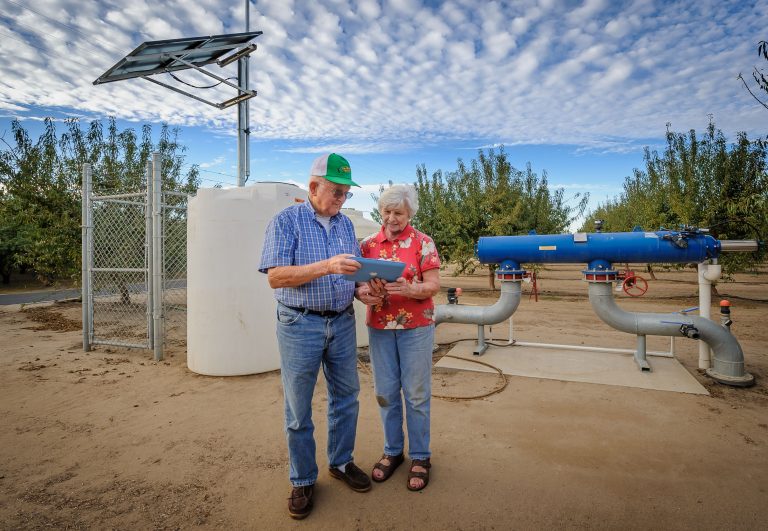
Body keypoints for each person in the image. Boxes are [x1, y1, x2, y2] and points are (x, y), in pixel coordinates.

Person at [259, 153, 371, 520]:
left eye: (345, 194)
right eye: (336, 192)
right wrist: (327, 266)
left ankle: (340, 462)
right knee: (298, 407)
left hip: (340, 322)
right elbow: (275, 276)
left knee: (347, 397)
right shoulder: (285, 222)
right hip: (300, 324)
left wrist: (366, 292)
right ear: (313, 187)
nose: (341, 200)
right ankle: (303, 478)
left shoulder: (344, 226)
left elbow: (352, 276)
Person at [356, 185, 441, 491]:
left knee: (416, 394)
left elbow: (433, 285)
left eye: (398, 213)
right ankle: (393, 451)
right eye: (387, 212)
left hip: (416, 327)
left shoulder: (423, 243)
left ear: (410, 214)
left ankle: (420, 456)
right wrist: (366, 293)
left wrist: (409, 290)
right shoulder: (366, 245)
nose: (391, 218)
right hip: (379, 326)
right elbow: (358, 287)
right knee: (386, 393)